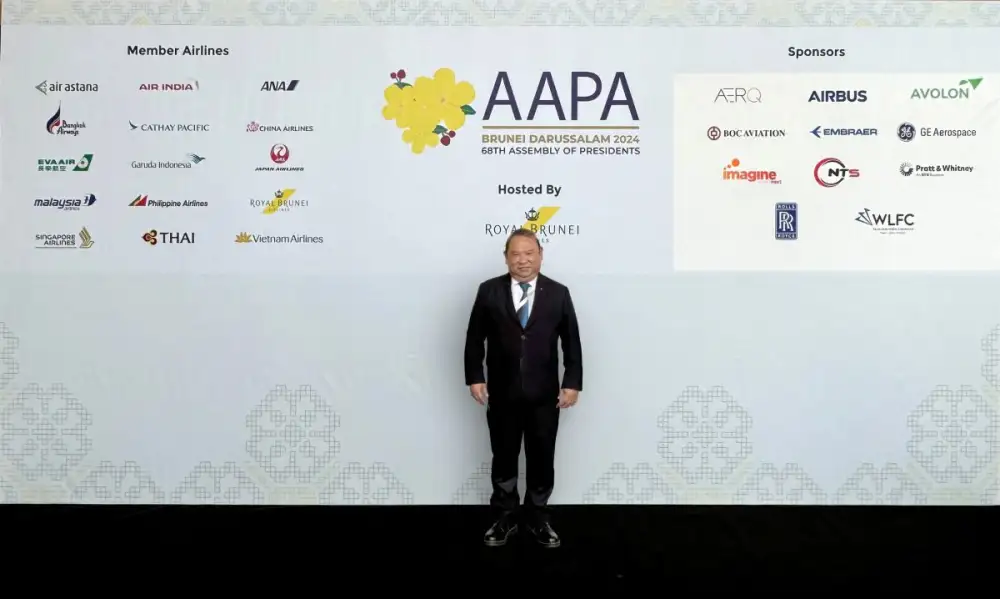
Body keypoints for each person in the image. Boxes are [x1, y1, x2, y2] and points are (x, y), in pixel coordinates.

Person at [463, 228, 583, 548]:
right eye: (515, 254)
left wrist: (572, 383)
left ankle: (539, 517)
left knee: (542, 457)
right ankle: (505, 516)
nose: (523, 260)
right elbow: (474, 338)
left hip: (545, 395)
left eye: (529, 253)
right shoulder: (489, 291)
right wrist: (475, 377)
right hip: (502, 393)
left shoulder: (558, 293)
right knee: (504, 457)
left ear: (540, 255)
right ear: (506, 258)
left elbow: (571, 342)